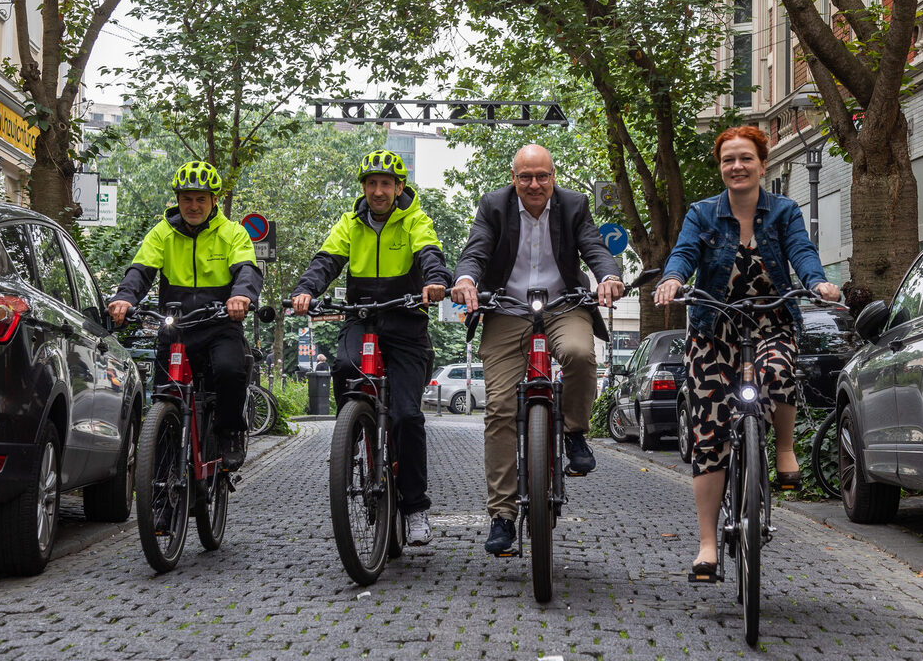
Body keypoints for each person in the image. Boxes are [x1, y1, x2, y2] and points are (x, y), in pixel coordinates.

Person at [653, 126, 839, 577]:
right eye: (728, 160)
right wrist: (672, 279)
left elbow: (802, 252)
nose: (737, 167)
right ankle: (707, 545)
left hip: (771, 324)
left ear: (763, 164)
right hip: (713, 333)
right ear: (722, 168)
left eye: (745, 159)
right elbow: (683, 254)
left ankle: (784, 450)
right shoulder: (702, 214)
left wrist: (818, 283)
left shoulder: (785, 211)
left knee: (778, 373)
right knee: (709, 438)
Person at [451, 144, 625, 556]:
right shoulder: (494, 205)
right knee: (499, 409)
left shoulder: (573, 204)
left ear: (553, 176)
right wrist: (466, 280)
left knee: (581, 355)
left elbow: (594, 246)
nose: (534, 184)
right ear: (514, 178)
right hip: (508, 309)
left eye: (542, 176)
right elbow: (475, 250)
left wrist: (609, 276)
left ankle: (575, 433)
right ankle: (502, 515)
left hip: (564, 304)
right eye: (525, 177)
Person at [289, 149, 451, 547]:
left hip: (405, 322)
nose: (378, 191)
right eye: (371, 184)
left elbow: (430, 253)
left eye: (386, 184)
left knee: (407, 416)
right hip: (362, 319)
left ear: (399, 188)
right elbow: (326, 261)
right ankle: (356, 430)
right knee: (345, 365)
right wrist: (306, 290)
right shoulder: (350, 222)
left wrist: (434, 280)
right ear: (363, 188)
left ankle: (414, 508)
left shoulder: (414, 219)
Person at [109, 160, 262, 470]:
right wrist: (125, 298)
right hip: (176, 327)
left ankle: (230, 431)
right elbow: (141, 270)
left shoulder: (232, 233)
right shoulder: (162, 233)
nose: (193, 206)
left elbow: (247, 269)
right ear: (178, 200)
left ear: (214, 200)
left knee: (230, 370)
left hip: (220, 324)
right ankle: (163, 483)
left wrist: (241, 295)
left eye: (201, 199)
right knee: (166, 395)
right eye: (187, 198)